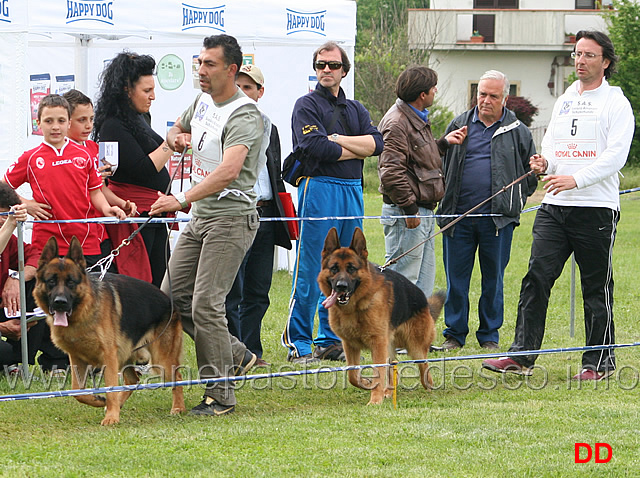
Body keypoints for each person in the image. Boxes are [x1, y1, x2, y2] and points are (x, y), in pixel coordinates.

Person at [482, 31, 634, 380]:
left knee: (596, 287)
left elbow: (616, 157)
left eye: (589, 55)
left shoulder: (615, 102)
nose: (580, 60)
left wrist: (576, 180)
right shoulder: (565, 99)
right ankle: (521, 356)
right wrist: (544, 163)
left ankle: (599, 362)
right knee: (536, 277)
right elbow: (551, 142)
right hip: (553, 206)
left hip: (595, 208)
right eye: (577, 54)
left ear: (605, 62)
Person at [150, 34, 263, 416]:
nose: (200, 71)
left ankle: (220, 395)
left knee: (206, 305)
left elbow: (229, 170)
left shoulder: (245, 114)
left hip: (231, 218)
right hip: (201, 217)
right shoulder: (201, 101)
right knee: (171, 299)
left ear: (232, 70)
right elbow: (172, 130)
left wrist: (180, 200)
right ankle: (236, 354)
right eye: (199, 62)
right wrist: (176, 137)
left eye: (209, 64)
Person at [281, 41, 384, 364]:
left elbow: (378, 144)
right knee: (314, 266)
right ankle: (300, 341)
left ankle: (330, 339)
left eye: (333, 65)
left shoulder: (355, 109)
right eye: (321, 65)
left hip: (352, 188)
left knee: (349, 265)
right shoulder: (306, 105)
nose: (327, 70)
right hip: (319, 187)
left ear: (344, 71)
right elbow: (314, 148)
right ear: (315, 69)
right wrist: (357, 148)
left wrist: (337, 140)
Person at [436, 70, 537, 351]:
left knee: (493, 280)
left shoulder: (518, 131)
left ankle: (489, 336)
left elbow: (531, 174)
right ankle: (454, 334)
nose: (486, 100)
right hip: (458, 218)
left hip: (497, 221)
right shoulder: (459, 124)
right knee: (456, 280)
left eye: (493, 96)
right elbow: (439, 162)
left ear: (504, 98)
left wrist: (513, 203)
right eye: (482, 94)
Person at [3, 94, 126, 271]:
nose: (55, 127)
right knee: (49, 296)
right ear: (38, 123)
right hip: (46, 242)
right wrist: (26, 204)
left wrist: (107, 209)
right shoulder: (30, 158)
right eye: (48, 121)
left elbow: (95, 191)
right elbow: (3, 187)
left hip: (84, 242)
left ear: (68, 123)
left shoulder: (84, 155)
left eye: (61, 121)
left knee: (88, 295)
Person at [377, 66, 466, 299]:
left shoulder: (416, 118)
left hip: (423, 212)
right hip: (407, 214)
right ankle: (393, 335)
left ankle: (416, 335)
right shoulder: (397, 123)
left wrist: (443, 144)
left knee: (421, 287)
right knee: (401, 282)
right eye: (433, 87)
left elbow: (415, 160)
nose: (436, 90)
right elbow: (390, 171)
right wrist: (409, 209)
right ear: (422, 95)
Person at [224, 64, 292, 367]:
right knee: (232, 291)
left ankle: (253, 352)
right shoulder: (223, 124)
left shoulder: (270, 127)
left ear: (260, 92)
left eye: (249, 87)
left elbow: (273, 175)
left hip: (265, 216)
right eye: (239, 86)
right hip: (237, 215)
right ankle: (235, 353)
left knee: (258, 291)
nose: (243, 92)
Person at [93, 52, 174, 287]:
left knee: (159, 280)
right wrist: (171, 141)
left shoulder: (139, 118)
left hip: (153, 212)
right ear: (127, 89)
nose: (153, 97)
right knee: (140, 283)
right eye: (147, 91)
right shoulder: (112, 125)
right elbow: (144, 169)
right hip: (135, 215)